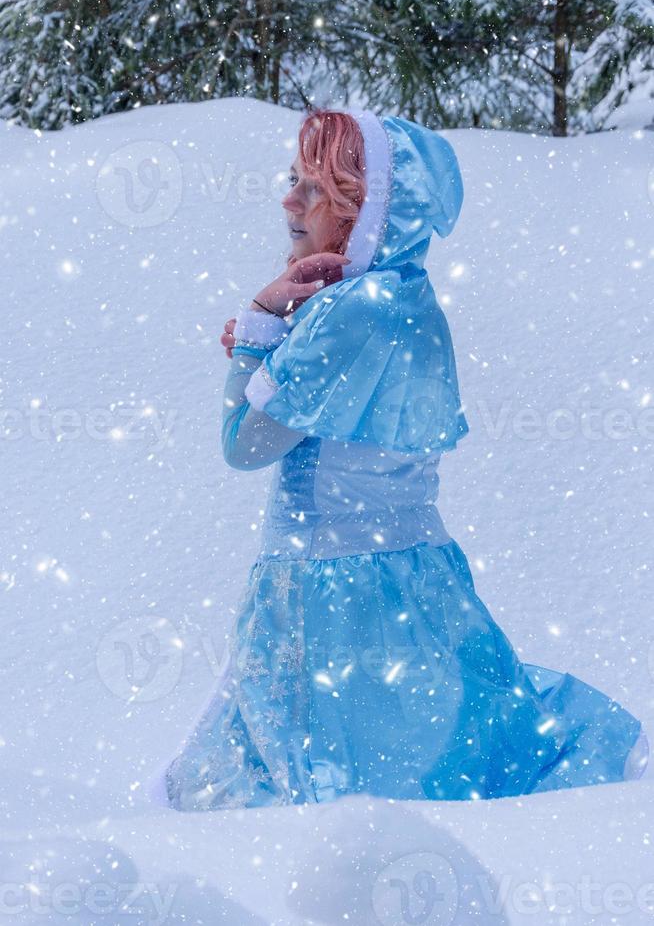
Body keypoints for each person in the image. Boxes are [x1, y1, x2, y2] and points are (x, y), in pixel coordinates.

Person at [147, 108, 649, 810]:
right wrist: (278, 344)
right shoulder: (400, 296)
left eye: (315, 189)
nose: (289, 201)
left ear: (366, 211)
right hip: (407, 575)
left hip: (333, 595)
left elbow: (244, 444)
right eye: (292, 180)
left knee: (336, 789)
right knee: (442, 741)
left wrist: (259, 333)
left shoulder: (354, 310)